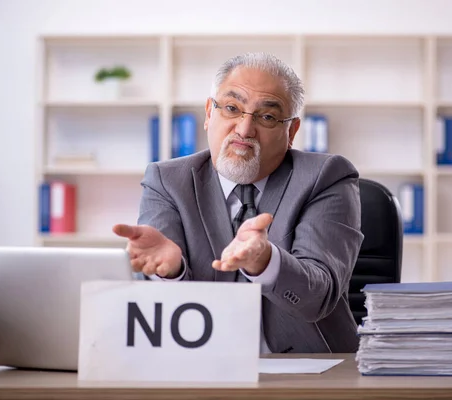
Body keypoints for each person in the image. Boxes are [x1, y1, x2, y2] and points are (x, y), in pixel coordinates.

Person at [113, 52, 364, 353]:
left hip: (309, 372)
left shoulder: (326, 177)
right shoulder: (166, 181)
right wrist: (170, 272)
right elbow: (157, 312)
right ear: (209, 113)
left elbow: (319, 296)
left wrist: (266, 262)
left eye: (267, 116)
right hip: (199, 364)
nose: (245, 130)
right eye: (232, 108)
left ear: (292, 131)